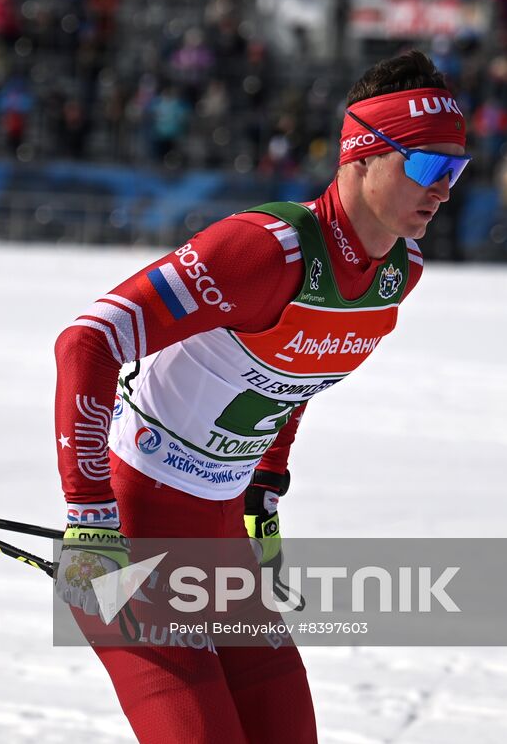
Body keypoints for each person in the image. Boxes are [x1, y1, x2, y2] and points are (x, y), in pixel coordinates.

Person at [53, 50, 470, 742]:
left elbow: (294, 371)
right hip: (129, 541)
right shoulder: (265, 251)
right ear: (364, 155)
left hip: (219, 546)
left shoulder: (400, 270)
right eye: (427, 166)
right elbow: (88, 342)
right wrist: (90, 520)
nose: (444, 189)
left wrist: (263, 493)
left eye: (456, 171)